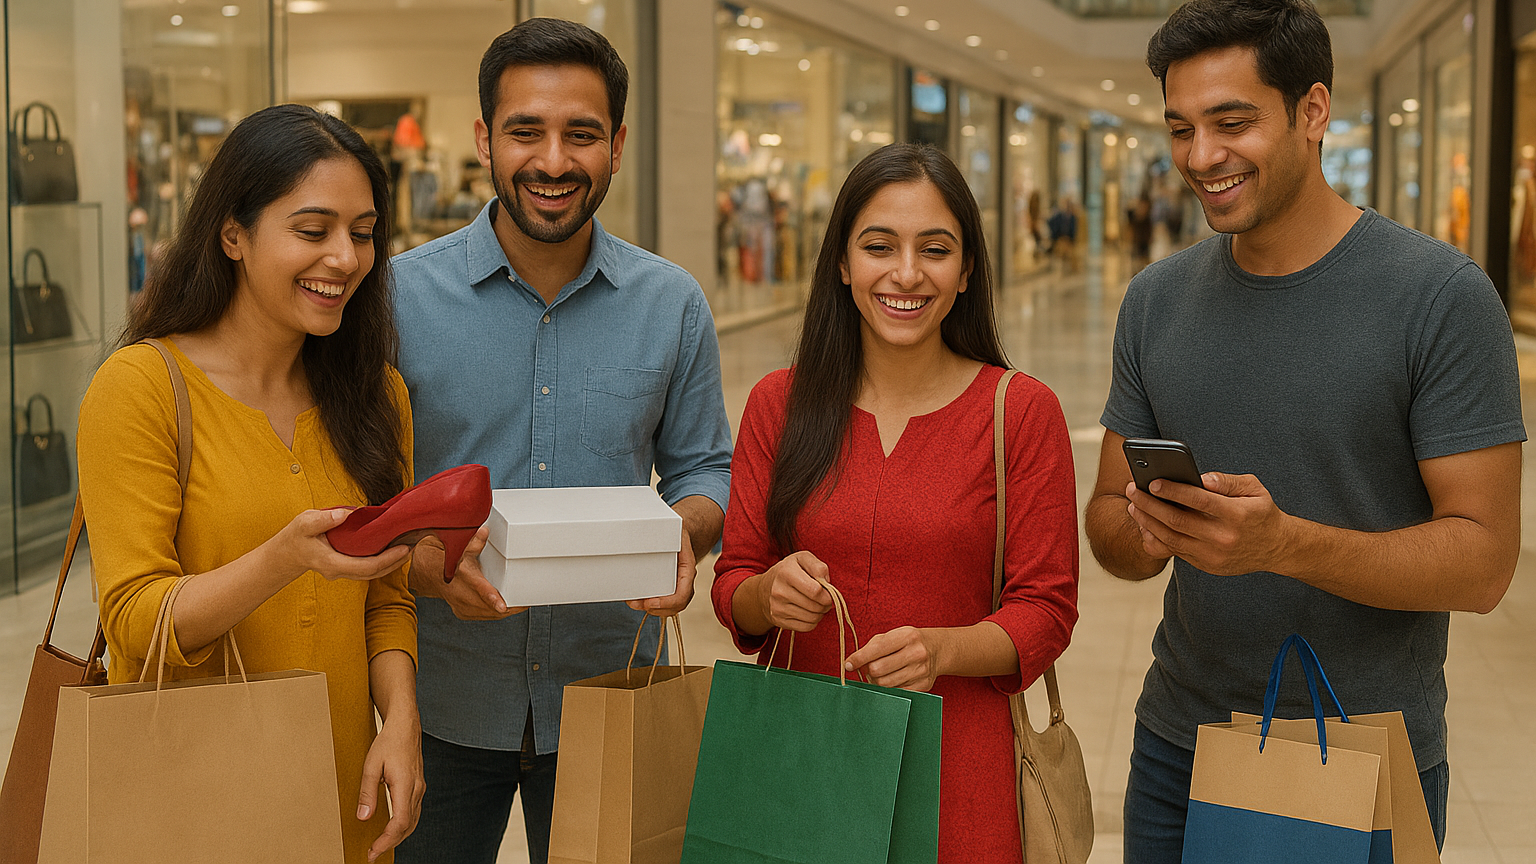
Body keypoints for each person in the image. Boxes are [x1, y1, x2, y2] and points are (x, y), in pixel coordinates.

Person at [1082, 2, 1524, 862]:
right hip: (1179, 745)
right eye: (1181, 128)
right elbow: (1107, 520)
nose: (1201, 157)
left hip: (1359, 757)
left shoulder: (1440, 299)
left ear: (1313, 111)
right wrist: (1148, 529)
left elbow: (1483, 564)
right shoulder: (1155, 301)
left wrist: (1280, 545)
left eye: (1232, 122)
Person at [389, 18, 732, 864]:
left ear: (616, 145)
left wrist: (684, 536)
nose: (552, 161)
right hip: (440, 702)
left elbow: (705, 468)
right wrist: (426, 566)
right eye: (524, 132)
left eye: (581, 134)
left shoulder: (671, 304)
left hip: (612, 692)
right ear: (483, 140)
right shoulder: (396, 301)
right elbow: (360, 498)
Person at [712, 143, 1079, 864]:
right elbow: (734, 585)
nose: (906, 274)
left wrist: (942, 647)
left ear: (967, 269)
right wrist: (765, 594)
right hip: (801, 762)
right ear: (843, 264)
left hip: (962, 778)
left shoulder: (1019, 411)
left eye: (935, 249)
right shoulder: (778, 405)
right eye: (879, 247)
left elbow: (1046, 611)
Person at [77, 104, 425, 864]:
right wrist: (284, 558)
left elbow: (386, 596)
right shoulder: (140, 387)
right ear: (232, 233)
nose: (344, 257)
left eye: (363, 233)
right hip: (196, 796)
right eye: (312, 230)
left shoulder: (376, 395)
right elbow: (137, 619)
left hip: (347, 798)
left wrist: (399, 719)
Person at [1047, 195, 1079, 272]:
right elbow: (1051, 223)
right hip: (1060, 238)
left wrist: (1071, 239)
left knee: (1072, 254)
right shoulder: (1059, 216)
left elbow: (1074, 230)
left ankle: (1072, 269)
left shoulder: (1073, 217)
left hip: (1069, 239)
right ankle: (1056, 269)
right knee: (1059, 251)